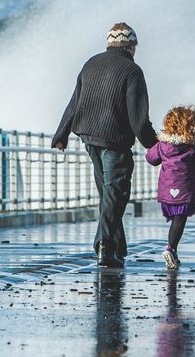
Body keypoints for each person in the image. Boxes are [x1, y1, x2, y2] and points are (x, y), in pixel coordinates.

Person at [52, 22, 158, 268]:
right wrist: (153, 144)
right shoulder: (132, 71)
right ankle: (105, 245)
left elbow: (74, 102)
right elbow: (138, 118)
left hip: (89, 137)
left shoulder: (90, 63)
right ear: (131, 47)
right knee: (116, 192)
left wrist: (61, 133)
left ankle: (116, 248)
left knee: (108, 194)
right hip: (114, 140)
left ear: (109, 44)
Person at [145, 105, 195, 269]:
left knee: (176, 221)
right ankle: (170, 249)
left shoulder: (162, 145)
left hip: (167, 191)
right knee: (179, 220)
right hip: (186, 190)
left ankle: (173, 251)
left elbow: (151, 159)